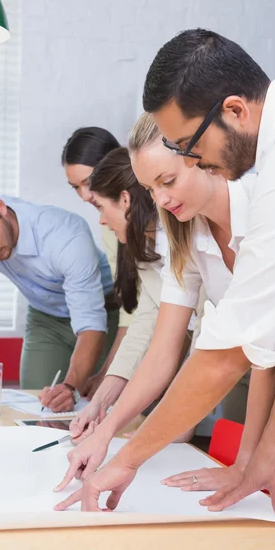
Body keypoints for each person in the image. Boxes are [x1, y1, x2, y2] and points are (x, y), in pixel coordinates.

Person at [54, 28, 275, 515]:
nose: (192, 157)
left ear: (233, 110)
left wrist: (127, 458)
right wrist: (262, 447)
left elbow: (230, 353)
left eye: (187, 145)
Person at [0, 181, 117, 412]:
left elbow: (91, 320)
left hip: (104, 312)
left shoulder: (65, 235)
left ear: (0, 207)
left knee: (100, 404)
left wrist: (71, 386)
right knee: (36, 406)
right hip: (46, 317)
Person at [69, 146, 193, 443]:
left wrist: (169, 424)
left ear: (125, 200)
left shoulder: (188, 242)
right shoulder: (144, 248)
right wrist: (99, 404)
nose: (100, 220)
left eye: (100, 207)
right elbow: (145, 324)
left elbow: (202, 346)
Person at [61, 127, 133, 397]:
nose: (84, 196)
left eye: (88, 182)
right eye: (75, 187)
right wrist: (107, 374)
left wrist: (111, 375)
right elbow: (133, 310)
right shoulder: (107, 223)